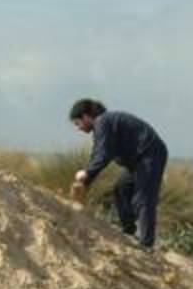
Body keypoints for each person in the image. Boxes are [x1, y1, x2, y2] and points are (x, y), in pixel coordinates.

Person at [69, 98, 169, 249]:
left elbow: (102, 155)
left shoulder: (102, 122)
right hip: (137, 162)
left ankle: (146, 245)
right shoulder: (104, 125)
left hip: (150, 155)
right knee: (121, 189)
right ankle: (129, 231)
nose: (78, 128)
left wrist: (87, 173)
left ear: (86, 117)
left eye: (78, 123)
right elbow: (98, 154)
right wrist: (85, 182)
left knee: (143, 199)